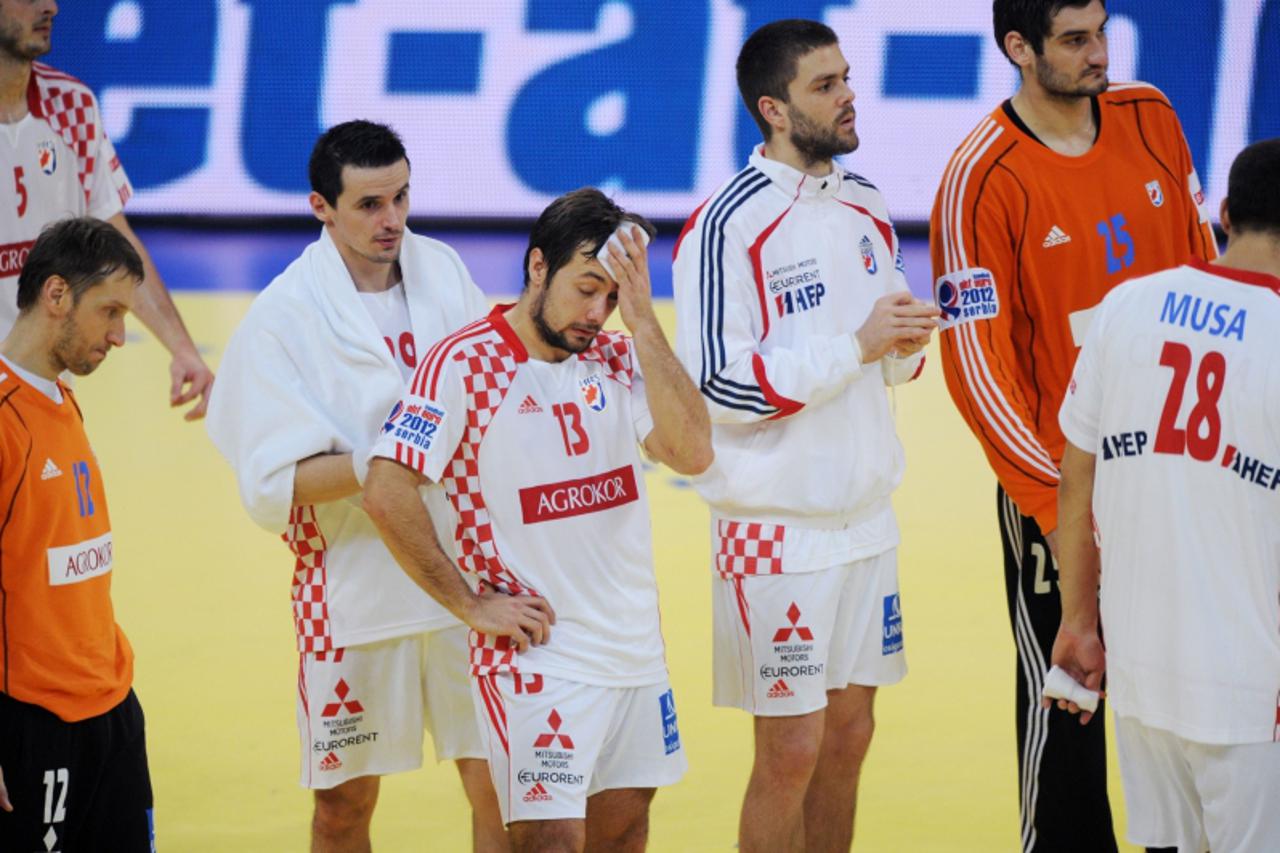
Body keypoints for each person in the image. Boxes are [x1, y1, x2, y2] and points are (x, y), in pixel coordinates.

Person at [928, 1, 1220, 848]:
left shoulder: (1151, 115)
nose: (1100, 55)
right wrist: (1060, 510)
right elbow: (980, 373)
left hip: (1183, 471)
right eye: (1075, 40)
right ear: (1018, 49)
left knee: (1195, 691)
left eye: (1102, 32)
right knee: (1070, 705)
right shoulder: (980, 178)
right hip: (1067, 494)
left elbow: (1202, 268)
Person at [363, 187, 711, 853]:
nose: (597, 312)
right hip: (539, 660)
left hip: (634, 651)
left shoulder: (616, 356)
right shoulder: (465, 363)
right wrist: (469, 603)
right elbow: (386, 488)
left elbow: (694, 451)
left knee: (626, 834)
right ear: (536, 267)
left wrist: (643, 323)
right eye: (586, 288)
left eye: (613, 295)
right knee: (549, 841)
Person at [671, 19, 938, 852]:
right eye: (825, 85)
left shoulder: (865, 203)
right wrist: (855, 345)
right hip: (773, 529)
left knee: (850, 737)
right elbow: (716, 384)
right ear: (774, 109)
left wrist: (901, 348)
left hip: (866, 520)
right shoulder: (726, 225)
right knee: (790, 750)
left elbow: (881, 350)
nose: (849, 94)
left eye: (847, 77)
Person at [205, 121, 506, 852]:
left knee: (504, 788)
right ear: (321, 206)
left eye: (401, 197)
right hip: (353, 594)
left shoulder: (441, 270)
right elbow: (272, 480)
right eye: (370, 204)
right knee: (343, 809)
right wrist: (389, 462)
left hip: (467, 577)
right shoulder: (281, 318)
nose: (392, 220)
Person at [1051, 137, 1280, 853]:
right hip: (1250, 691)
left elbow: (1074, 477)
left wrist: (1078, 620)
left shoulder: (1125, 304)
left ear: (1221, 211)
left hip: (1144, 674)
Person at [0, 217, 151, 850]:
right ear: (56, 294)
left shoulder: (59, 397)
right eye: (109, 312)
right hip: (34, 724)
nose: (120, 336)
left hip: (111, 708)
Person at [0, 0, 214, 419]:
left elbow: (114, 245)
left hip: (45, 396)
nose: (51, 7)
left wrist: (182, 347)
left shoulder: (71, 106)